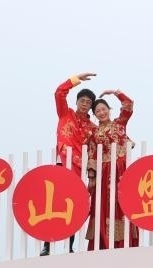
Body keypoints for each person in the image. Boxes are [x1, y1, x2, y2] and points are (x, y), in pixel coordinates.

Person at [42, 72, 96, 257]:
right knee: (52, 203)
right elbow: (59, 93)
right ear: (77, 101)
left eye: (88, 102)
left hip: (78, 169)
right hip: (62, 165)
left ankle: (69, 245)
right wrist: (75, 79)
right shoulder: (66, 114)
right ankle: (47, 245)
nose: (85, 104)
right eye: (82, 100)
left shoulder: (92, 128)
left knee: (71, 206)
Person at [86, 90, 136, 251]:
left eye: (103, 109)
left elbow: (128, 104)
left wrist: (115, 92)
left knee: (122, 202)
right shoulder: (94, 133)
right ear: (95, 115)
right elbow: (92, 154)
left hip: (122, 169)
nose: (101, 113)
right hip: (104, 172)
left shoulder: (119, 124)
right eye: (97, 111)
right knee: (104, 204)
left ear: (109, 109)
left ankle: (123, 242)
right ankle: (104, 242)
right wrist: (92, 176)